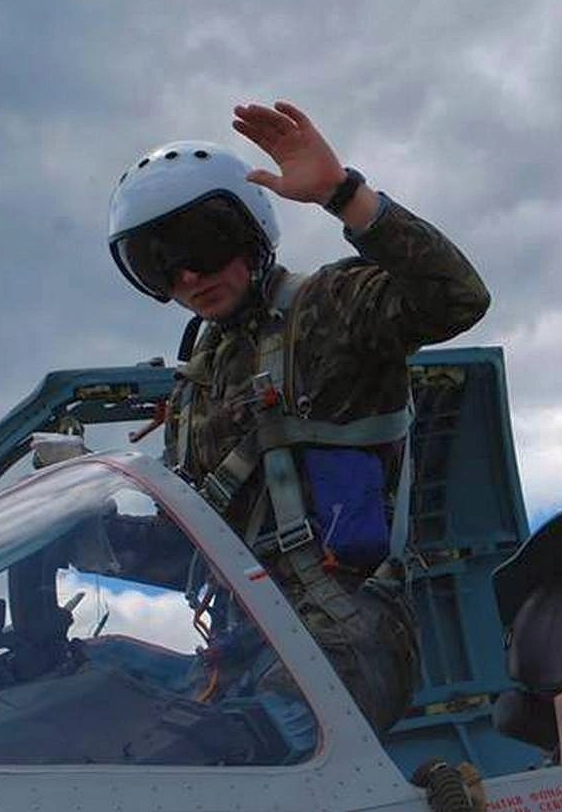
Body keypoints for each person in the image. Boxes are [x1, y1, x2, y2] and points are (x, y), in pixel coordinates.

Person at [106, 101, 490, 733]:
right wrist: (89, 541)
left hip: (338, 643)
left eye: (203, 244)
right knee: (94, 689)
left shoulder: (327, 311)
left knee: (228, 753)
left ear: (250, 232)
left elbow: (457, 297)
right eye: (159, 262)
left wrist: (345, 195)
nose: (189, 273)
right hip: (246, 647)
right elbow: (199, 547)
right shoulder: (198, 380)